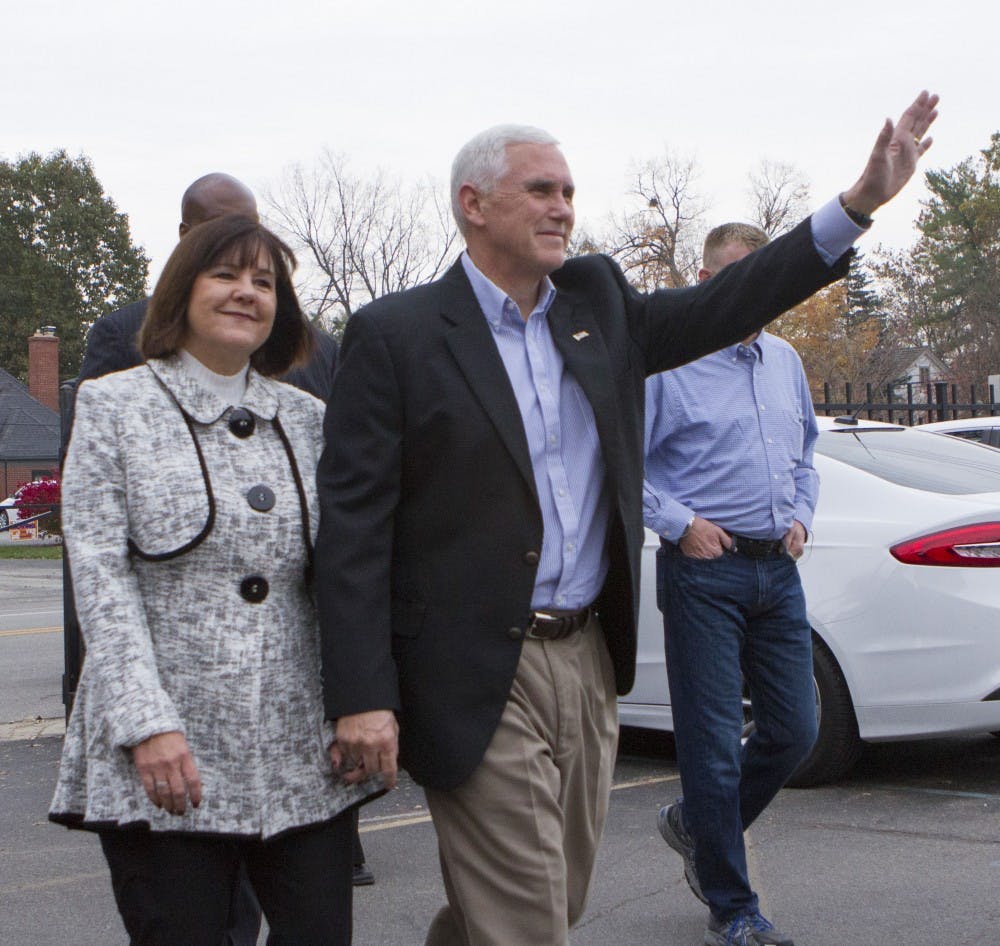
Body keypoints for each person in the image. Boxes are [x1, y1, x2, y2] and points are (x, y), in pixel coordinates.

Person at [315, 92, 938, 946]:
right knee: (531, 921)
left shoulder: (596, 306)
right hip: (469, 665)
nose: (562, 207)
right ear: (474, 204)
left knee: (548, 900)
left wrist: (857, 204)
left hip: (582, 657)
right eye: (540, 190)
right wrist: (361, 696)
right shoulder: (397, 335)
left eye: (568, 191)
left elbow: (732, 297)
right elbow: (353, 526)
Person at [49, 215, 381, 946]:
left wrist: (367, 700)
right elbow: (100, 579)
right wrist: (147, 724)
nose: (246, 293)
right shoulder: (113, 406)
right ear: (182, 289)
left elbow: (352, 572)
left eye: (264, 282)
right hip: (168, 756)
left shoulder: (312, 420)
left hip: (299, 754)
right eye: (226, 275)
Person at [644, 222, 818, 946]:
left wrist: (803, 513)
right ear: (710, 280)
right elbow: (621, 460)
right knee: (713, 747)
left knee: (796, 728)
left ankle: (696, 825)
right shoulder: (667, 363)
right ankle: (733, 906)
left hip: (777, 568)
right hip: (703, 574)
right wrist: (679, 521)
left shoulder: (784, 360)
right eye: (743, 277)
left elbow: (807, 452)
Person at [76, 172, 339, 399]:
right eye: (219, 228)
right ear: (184, 235)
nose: (238, 240)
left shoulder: (320, 353)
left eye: (248, 227)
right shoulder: (121, 336)